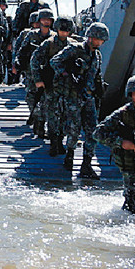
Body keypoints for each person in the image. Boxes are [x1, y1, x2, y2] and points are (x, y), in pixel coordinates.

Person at [93, 75, 135, 213]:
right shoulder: (122, 114)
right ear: (131, 95)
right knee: (132, 206)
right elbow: (98, 133)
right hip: (132, 166)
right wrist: (121, 142)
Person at [50, 22, 108, 179]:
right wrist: (68, 73)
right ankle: (69, 157)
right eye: (99, 39)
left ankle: (86, 164)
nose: (100, 43)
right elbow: (55, 61)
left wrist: (100, 86)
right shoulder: (75, 49)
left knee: (92, 131)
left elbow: (97, 74)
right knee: (73, 129)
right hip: (73, 96)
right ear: (91, 37)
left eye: (102, 40)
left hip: (88, 97)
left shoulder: (97, 56)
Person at [30, 16, 78, 157]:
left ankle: (60, 139)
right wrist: (38, 80)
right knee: (52, 114)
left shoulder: (73, 45)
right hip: (51, 84)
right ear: (57, 29)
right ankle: (53, 142)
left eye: (67, 31)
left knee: (65, 114)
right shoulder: (49, 44)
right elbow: (34, 60)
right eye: (62, 30)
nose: (64, 33)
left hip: (68, 85)